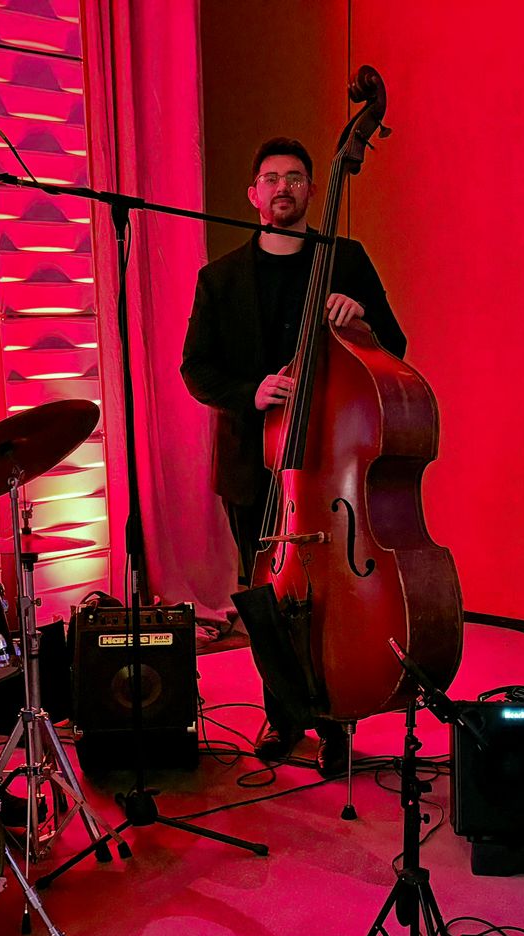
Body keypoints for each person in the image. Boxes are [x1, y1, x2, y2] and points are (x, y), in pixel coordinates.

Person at [180, 136, 407, 777]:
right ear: (254, 194)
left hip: (331, 463)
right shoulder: (219, 278)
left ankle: (335, 721)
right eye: (272, 178)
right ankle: (280, 714)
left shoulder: (346, 260)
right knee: (268, 597)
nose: (283, 187)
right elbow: (196, 369)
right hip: (255, 464)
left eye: (296, 177)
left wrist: (361, 318)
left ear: (310, 189)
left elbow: (395, 345)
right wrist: (249, 393)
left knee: (332, 596)